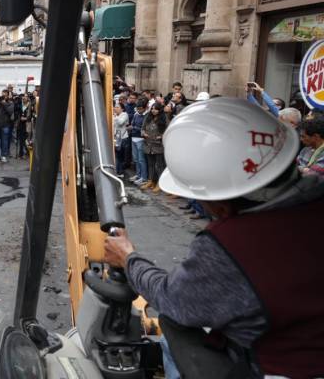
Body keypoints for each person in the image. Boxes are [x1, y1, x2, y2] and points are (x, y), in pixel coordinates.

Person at [104, 98, 324, 379]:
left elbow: (173, 299)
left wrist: (128, 258)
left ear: (218, 203)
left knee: (174, 328)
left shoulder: (233, 246)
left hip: (275, 368)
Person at [141, 102, 167, 193]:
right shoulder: (148, 117)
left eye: (155, 109)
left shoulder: (164, 119)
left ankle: (160, 183)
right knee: (150, 164)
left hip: (158, 145)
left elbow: (167, 131)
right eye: (152, 108)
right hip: (148, 144)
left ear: (159, 110)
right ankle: (150, 181)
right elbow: (142, 128)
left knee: (159, 165)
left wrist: (161, 136)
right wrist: (143, 133)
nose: (153, 110)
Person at [128, 98, 148, 186]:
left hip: (141, 139)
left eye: (140, 109)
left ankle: (144, 177)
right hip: (134, 138)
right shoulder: (136, 114)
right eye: (138, 109)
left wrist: (134, 128)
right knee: (136, 159)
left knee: (141, 160)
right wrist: (132, 127)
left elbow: (143, 128)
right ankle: (138, 175)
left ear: (145, 108)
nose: (139, 110)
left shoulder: (146, 116)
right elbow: (132, 123)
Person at [0, 89, 14, 162]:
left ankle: (3, 155)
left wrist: (3, 103)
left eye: (5, 95)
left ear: (8, 95)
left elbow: (10, 111)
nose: (4, 96)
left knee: (4, 141)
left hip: (5, 125)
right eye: (3, 94)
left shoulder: (10, 103)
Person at [113, 103, 129, 177]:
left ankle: (120, 172)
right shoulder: (114, 115)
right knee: (116, 155)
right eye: (115, 107)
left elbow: (120, 122)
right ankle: (117, 171)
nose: (115, 108)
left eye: (117, 107)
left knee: (120, 155)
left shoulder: (124, 114)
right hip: (116, 138)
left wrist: (115, 116)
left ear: (122, 109)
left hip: (123, 138)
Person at [15, 93, 33, 159]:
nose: (24, 98)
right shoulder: (20, 105)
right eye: (23, 97)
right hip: (20, 124)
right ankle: (20, 154)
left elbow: (32, 115)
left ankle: (27, 152)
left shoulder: (30, 105)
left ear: (28, 98)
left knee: (26, 139)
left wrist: (26, 118)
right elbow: (17, 113)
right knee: (20, 139)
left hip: (27, 124)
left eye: (25, 96)